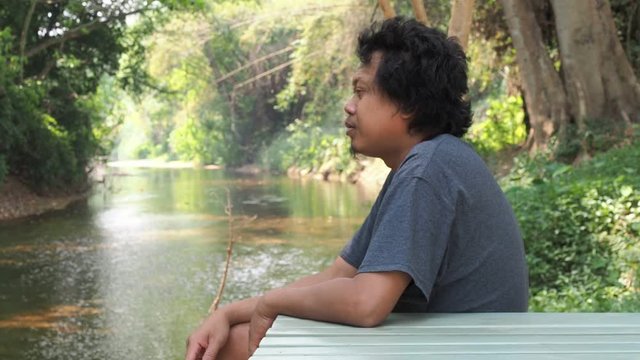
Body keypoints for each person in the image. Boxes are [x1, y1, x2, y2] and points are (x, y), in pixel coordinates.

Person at [185, 16, 528, 360]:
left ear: (409, 105)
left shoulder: (427, 170)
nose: (349, 105)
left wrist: (272, 303)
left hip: (467, 351)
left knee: (229, 347)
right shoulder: (426, 162)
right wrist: (227, 313)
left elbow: (366, 303)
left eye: (361, 92)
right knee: (231, 333)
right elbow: (339, 274)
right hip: (452, 344)